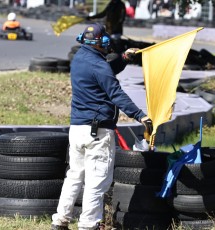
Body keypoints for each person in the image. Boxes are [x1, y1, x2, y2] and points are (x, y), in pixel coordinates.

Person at [51, 23, 153, 230]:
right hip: (97, 132)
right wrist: (139, 115)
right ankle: (88, 224)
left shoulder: (80, 58)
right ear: (102, 42)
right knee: (97, 181)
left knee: (74, 176)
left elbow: (103, 72)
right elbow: (114, 92)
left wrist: (124, 58)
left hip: (78, 129)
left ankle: (60, 220)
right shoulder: (98, 65)